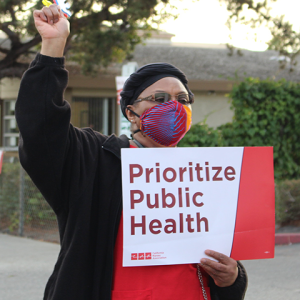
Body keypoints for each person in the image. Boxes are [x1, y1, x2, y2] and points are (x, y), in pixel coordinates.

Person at [15, 4, 247, 300]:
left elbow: (225, 265)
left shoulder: (204, 176)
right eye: (159, 98)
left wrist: (233, 277)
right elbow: (41, 128)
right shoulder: (94, 161)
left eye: (182, 99)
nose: (173, 106)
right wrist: (53, 46)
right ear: (131, 113)